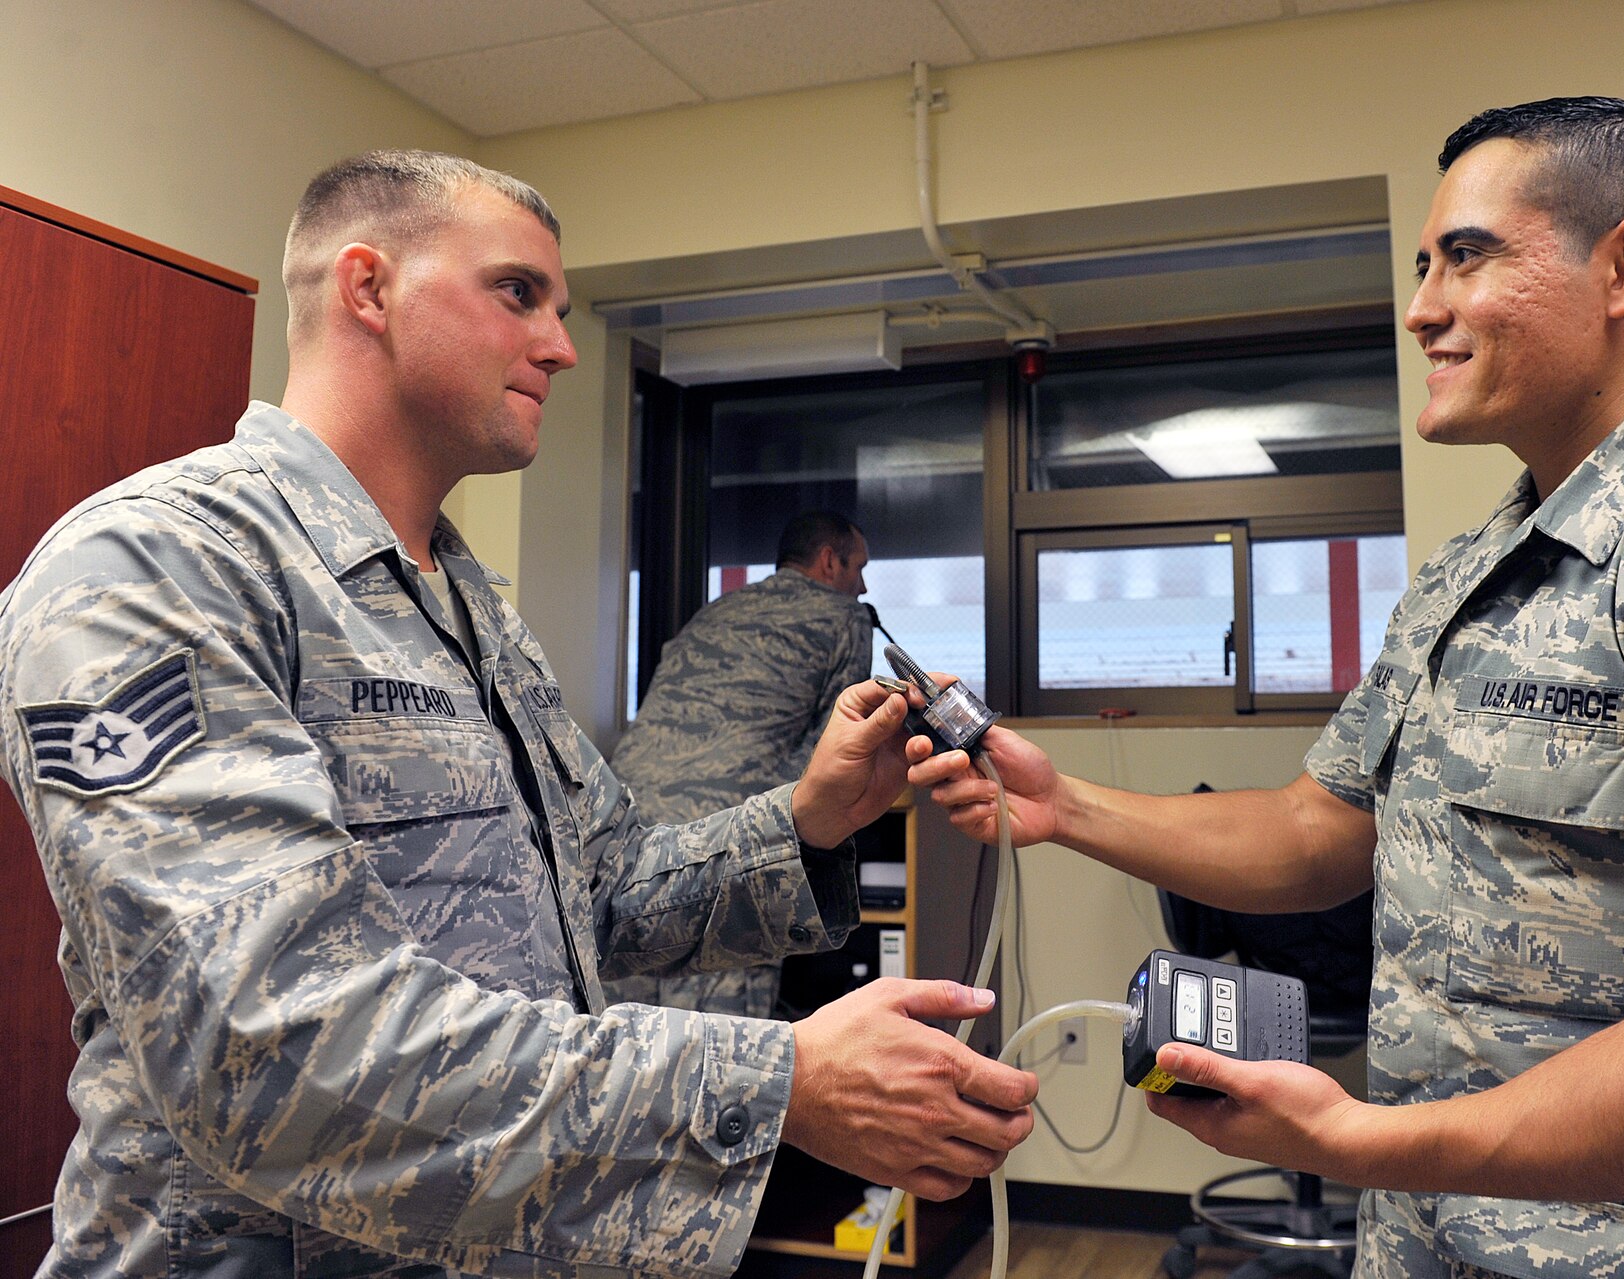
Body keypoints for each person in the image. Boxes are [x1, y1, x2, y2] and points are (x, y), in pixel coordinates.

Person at [910, 98, 1624, 1277]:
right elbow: (1321, 828)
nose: (1419, 307)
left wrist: (1367, 1140)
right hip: (1426, 1241)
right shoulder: (1467, 578)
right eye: (1422, 265)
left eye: (1465, 256)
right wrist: (1067, 808)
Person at [0, 150, 1035, 1279]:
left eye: (562, 308)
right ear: (368, 289)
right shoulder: (157, 568)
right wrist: (774, 1080)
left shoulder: (467, 603)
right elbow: (273, 1046)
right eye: (517, 294)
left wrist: (806, 820)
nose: (560, 344)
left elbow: (602, 892)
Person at [608, 511, 874, 1016]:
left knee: (627, 1036)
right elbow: (831, 752)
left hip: (629, 833)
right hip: (724, 841)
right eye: (858, 568)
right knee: (719, 1052)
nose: (862, 586)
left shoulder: (715, 611)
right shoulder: (845, 619)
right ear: (828, 561)